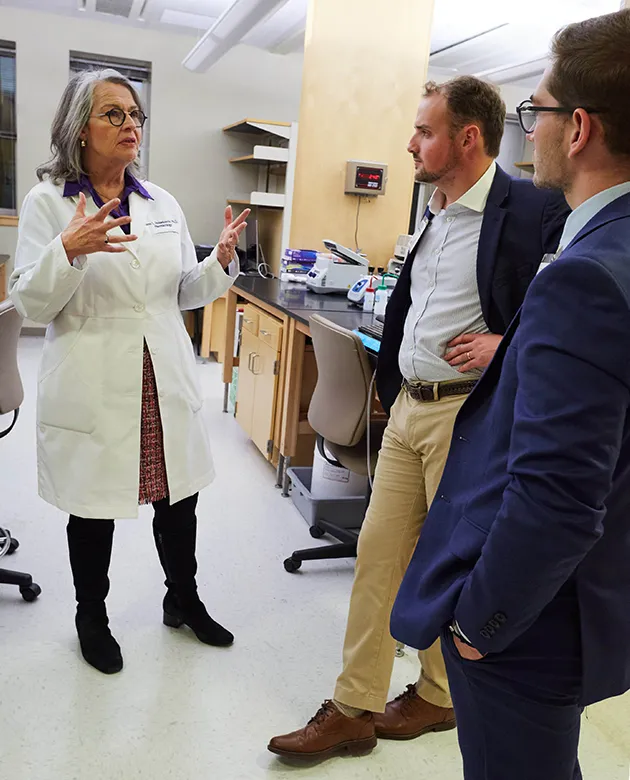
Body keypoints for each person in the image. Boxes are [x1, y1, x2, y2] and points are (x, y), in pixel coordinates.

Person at [268, 76, 569, 760]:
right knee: (378, 558)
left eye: (424, 131)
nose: (410, 143)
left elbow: (572, 297)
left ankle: (438, 696)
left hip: (468, 414)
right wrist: (394, 381)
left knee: (451, 564)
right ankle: (353, 705)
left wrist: (508, 344)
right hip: (410, 406)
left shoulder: (532, 207)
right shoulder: (431, 208)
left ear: (467, 137)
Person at [390, 9, 630, 779]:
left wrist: (481, 625)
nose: (536, 130)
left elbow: (556, 496)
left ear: (580, 127)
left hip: (532, 626)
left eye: (540, 112)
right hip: (592, 596)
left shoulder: (585, 275)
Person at [10, 69, 250, 675]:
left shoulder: (161, 203)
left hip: (160, 374)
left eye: (136, 115)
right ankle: (91, 615)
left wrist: (219, 262)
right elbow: (32, 304)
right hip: (93, 378)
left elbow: (181, 292)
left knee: (178, 499)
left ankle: (183, 599)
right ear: (78, 128)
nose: (130, 126)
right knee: (92, 507)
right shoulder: (48, 204)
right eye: (113, 114)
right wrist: (68, 250)